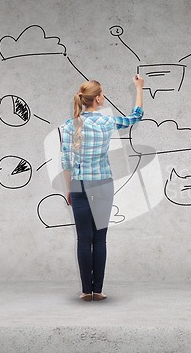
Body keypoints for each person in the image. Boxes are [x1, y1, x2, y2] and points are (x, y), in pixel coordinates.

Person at [61, 75, 144, 301]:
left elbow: (66, 161)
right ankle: (98, 290)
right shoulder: (107, 122)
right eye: (103, 94)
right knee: (100, 239)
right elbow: (136, 117)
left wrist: (69, 189)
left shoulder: (71, 125)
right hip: (103, 185)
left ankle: (86, 291)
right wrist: (139, 88)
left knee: (83, 239)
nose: (104, 97)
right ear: (97, 99)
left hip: (79, 185)